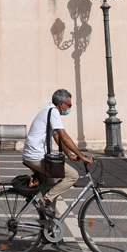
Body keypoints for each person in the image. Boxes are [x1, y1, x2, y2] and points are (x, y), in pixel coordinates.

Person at [22, 88, 93, 219]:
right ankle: (44, 201)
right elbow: (64, 136)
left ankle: (47, 234)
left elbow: (57, 137)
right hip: (36, 156)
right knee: (73, 175)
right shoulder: (53, 111)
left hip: (33, 155)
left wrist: (70, 155)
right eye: (69, 105)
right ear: (61, 104)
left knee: (51, 188)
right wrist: (82, 156)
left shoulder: (48, 110)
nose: (69, 108)